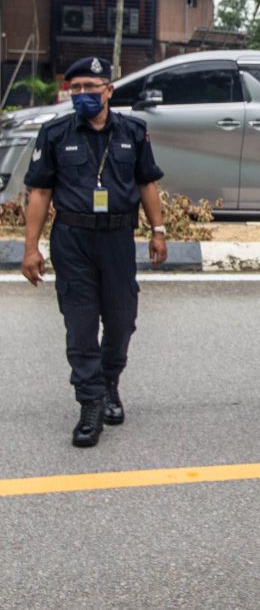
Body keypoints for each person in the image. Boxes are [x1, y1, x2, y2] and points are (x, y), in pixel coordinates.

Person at [20, 56, 167, 448]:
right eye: (76, 88)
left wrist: (159, 230)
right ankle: (90, 403)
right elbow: (40, 192)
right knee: (81, 324)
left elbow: (147, 183)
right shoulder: (54, 133)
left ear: (109, 90)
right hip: (72, 240)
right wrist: (31, 247)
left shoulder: (133, 131)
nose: (83, 94)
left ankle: (109, 383)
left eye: (91, 87)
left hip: (118, 239)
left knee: (121, 321)